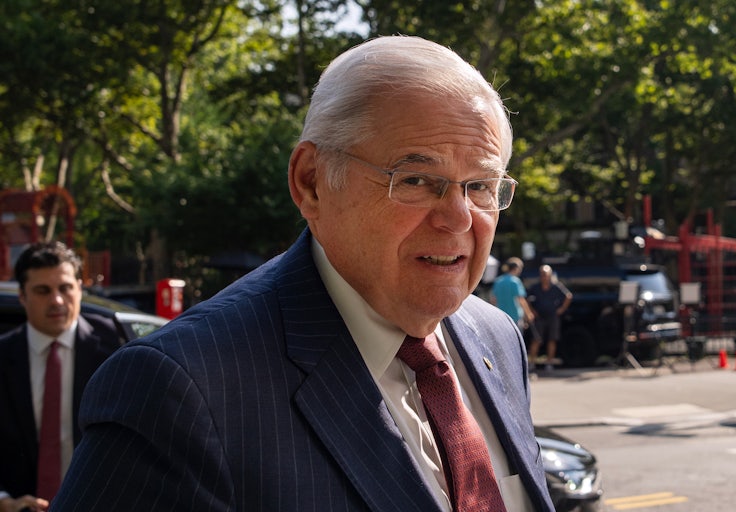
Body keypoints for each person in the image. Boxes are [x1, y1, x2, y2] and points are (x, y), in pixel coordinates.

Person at [52, 36, 555, 512]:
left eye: (480, 185)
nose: (459, 218)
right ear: (311, 182)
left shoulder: (496, 336)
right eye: (417, 179)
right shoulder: (180, 391)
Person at [0, 242, 124, 512]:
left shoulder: (117, 349)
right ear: (22, 296)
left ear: (79, 289)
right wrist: (4, 501)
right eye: (43, 291)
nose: (56, 300)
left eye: (65, 288)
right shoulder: (4, 355)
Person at [527, 264, 572, 372]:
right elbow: (526, 299)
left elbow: (568, 296)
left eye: (546, 274)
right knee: (536, 339)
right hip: (539, 317)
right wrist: (532, 311)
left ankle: (549, 363)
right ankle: (532, 363)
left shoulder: (556, 286)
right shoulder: (535, 287)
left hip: (552, 316)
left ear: (550, 275)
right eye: (542, 274)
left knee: (552, 340)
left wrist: (561, 309)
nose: (544, 277)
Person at [490, 257, 534, 330]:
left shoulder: (498, 281)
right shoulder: (516, 281)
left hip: (501, 316)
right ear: (516, 268)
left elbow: (493, 300)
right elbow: (521, 300)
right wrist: (528, 313)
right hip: (515, 316)